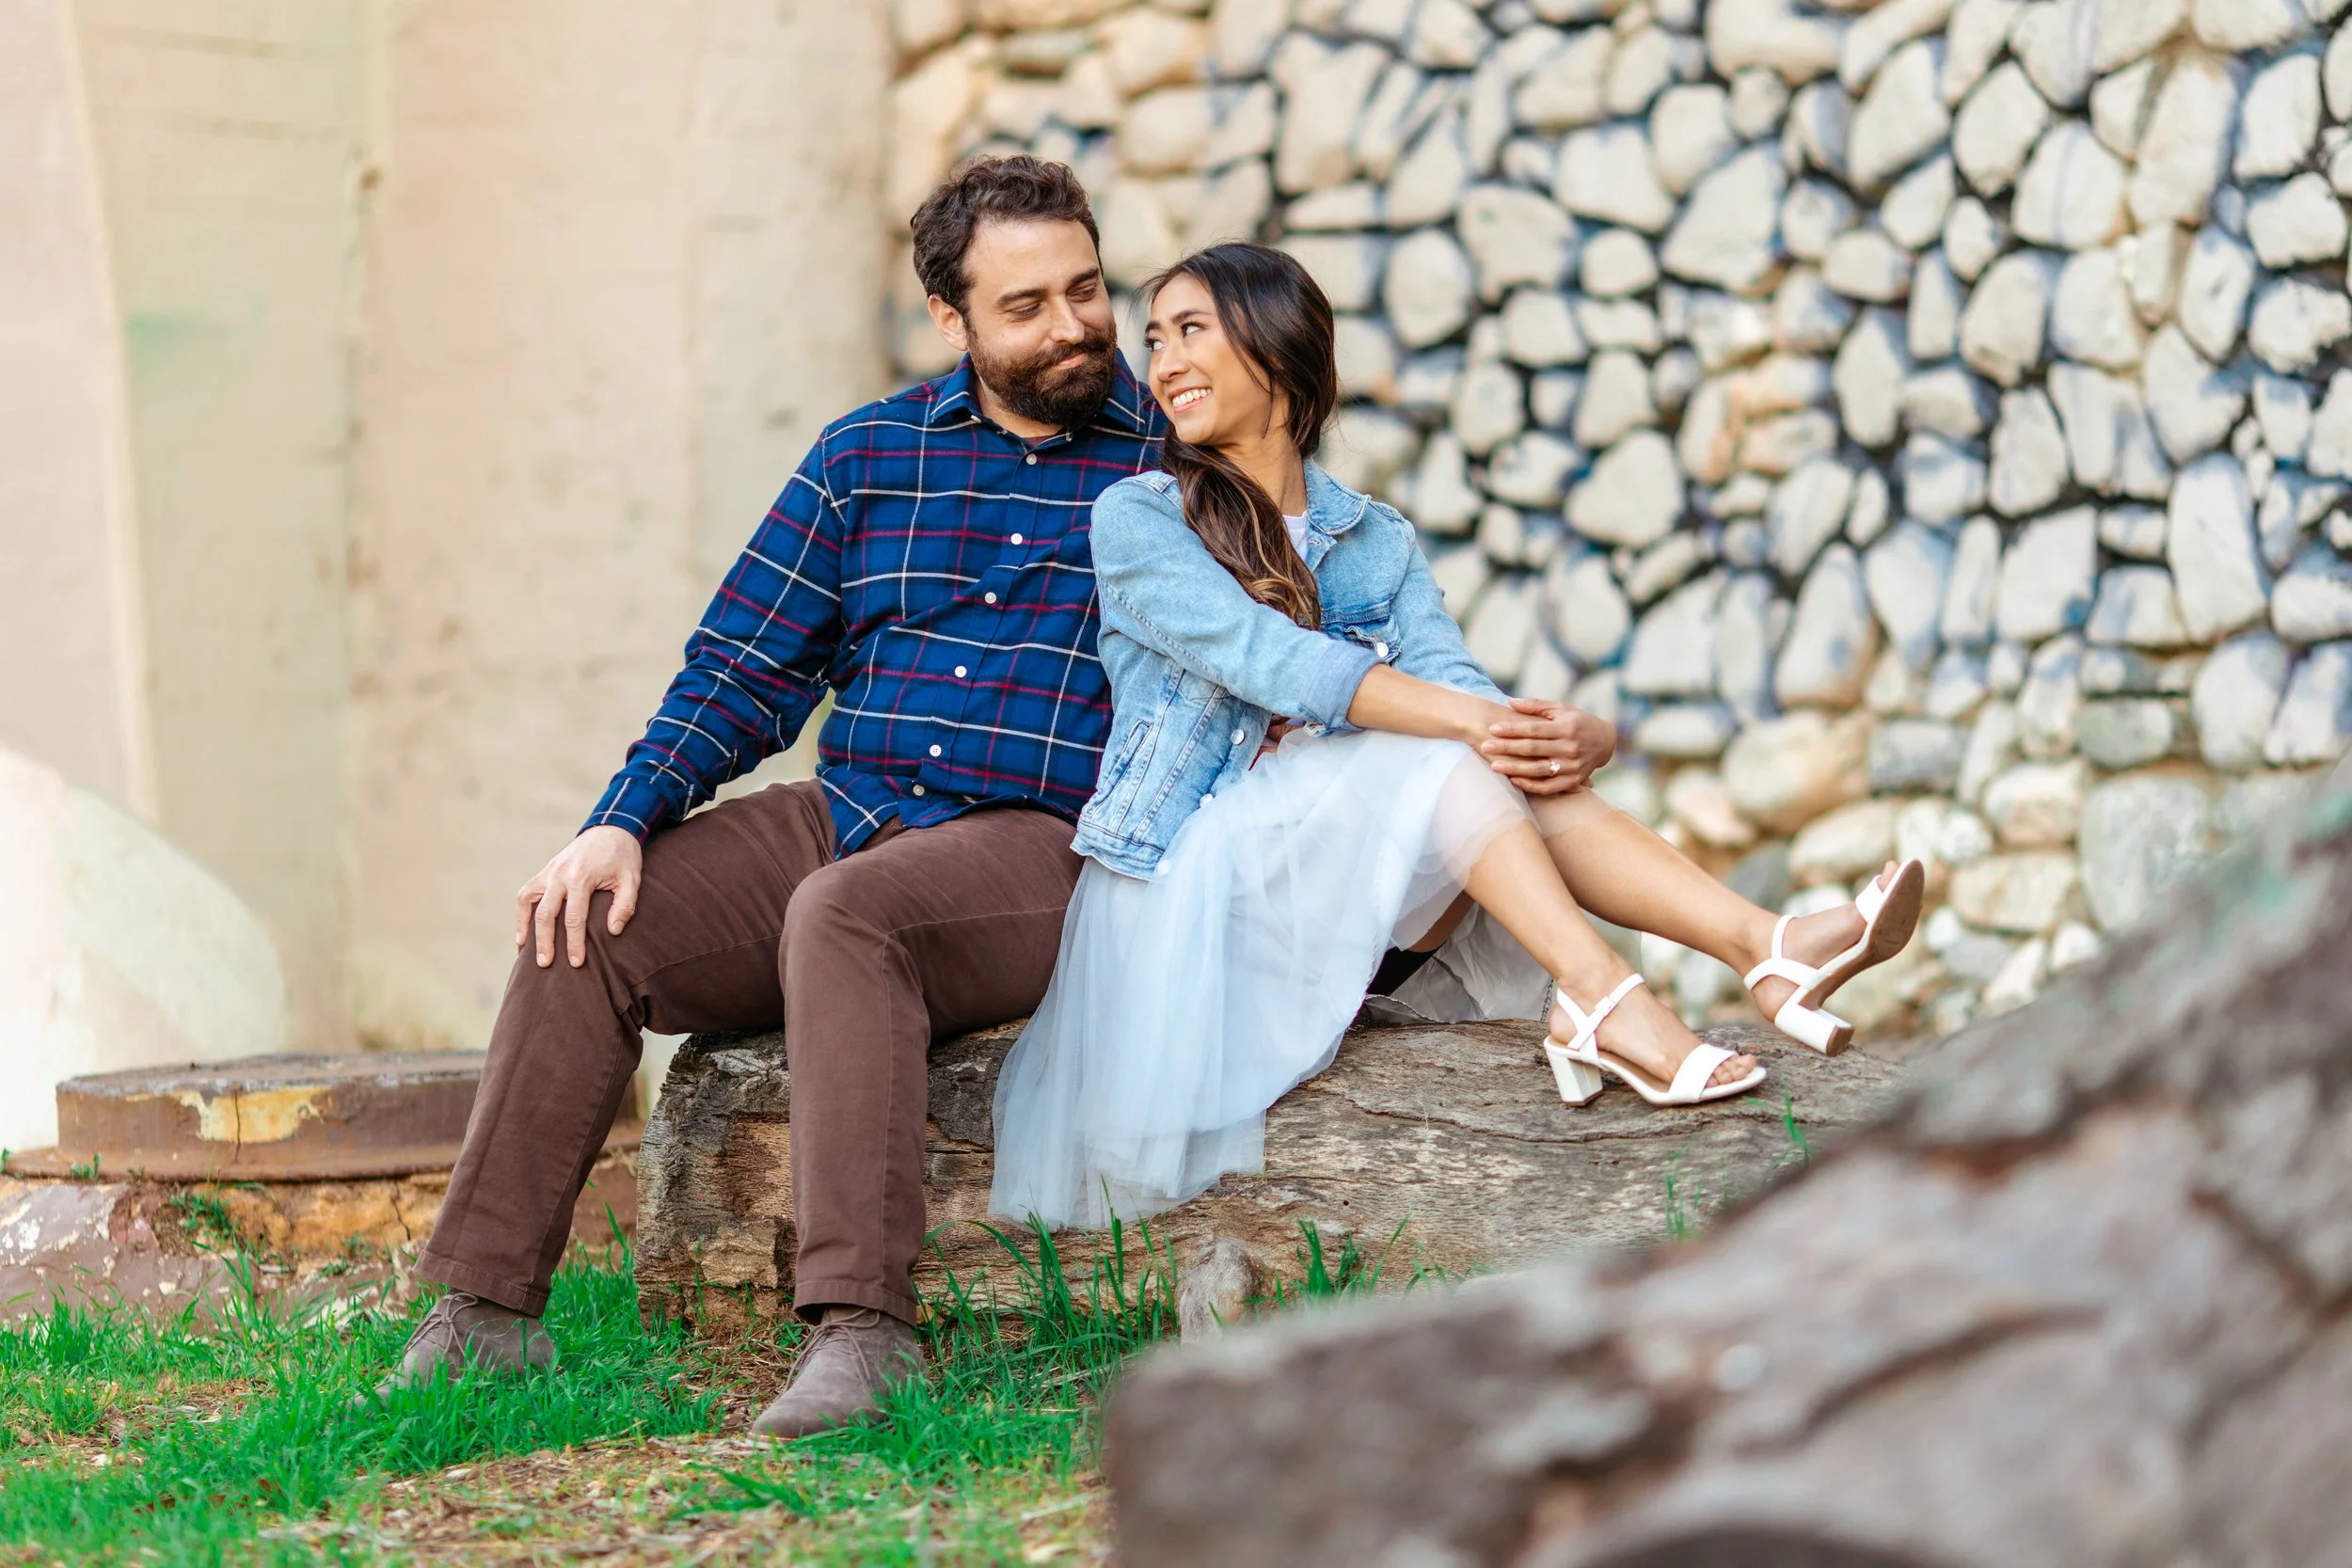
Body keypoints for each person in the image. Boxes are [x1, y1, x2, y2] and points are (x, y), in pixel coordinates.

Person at [369, 158, 1647, 1439]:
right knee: (588, 920)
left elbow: (1340, 625)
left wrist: (1517, 721)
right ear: (953, 320)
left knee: (847, 917)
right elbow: (744, 668)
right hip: (855, 802)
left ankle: (864, 1331)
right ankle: (479, 1314)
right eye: (1027, 303)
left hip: (1050, 844)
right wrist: (621, 815)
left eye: (1089, 289)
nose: (1077, 325)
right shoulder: (867, 454)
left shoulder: (1180, 456)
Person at [988, 244, 1923, 1230]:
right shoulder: (1138, 517)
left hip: (1346, 894)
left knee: (1478, 753)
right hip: (1200, 894)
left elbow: (1459, 686)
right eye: (1153, 338)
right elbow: (1276, 663)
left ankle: (1760, 944)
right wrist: (1480, 724)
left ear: (1278, 346)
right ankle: (1608, 989)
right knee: (1446, 751)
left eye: (1191, 331)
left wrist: (1580, 736)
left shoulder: (1373, 536)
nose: (1163, 362)